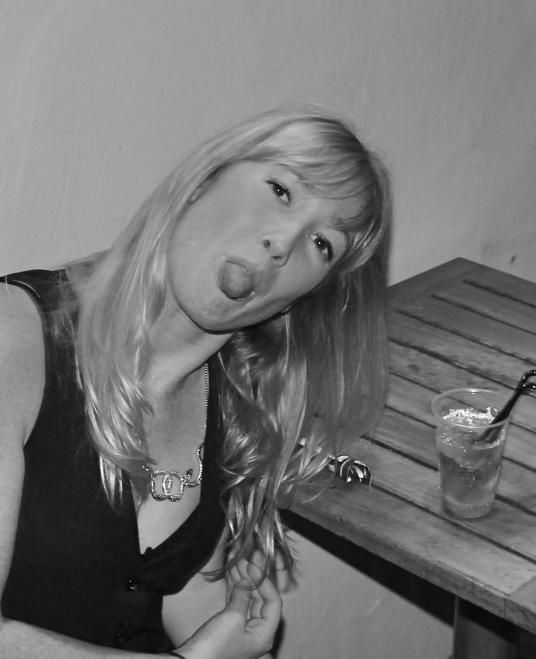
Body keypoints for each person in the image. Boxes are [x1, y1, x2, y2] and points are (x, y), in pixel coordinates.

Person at [0, 104, 392, 657]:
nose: (284, 241)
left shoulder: (235, 401)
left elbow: (172, 593)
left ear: (302, 298)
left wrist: (236, 628)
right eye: (281, 190)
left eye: (323, 243)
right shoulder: (14, 338)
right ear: (202, 182)